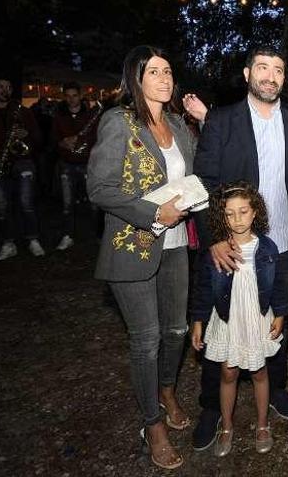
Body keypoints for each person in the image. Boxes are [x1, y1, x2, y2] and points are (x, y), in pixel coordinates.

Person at [191, 46, 288, 451]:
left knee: (277, 317)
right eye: (263, 67)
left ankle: (275, 388)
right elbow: (203, 183)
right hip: (233, 244)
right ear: (247, 74)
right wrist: (214, 240)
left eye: (278, 69)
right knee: (220, 318)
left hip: (283, 244)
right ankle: (212, 406)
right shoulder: (222, 120)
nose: (271, 76)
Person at [87, 45, 196, 470]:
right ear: (136, 78)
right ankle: (152, 424)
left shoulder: (177, 125)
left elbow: (192, 173)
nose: (165, 79)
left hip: (175, 247)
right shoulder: (119, 122)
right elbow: (100, 189)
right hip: (132, 247)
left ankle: (166, 389)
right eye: (155, 72)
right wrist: (155, 213)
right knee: (146, 339)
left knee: (176, 330)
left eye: (168, 71)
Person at [191, 182, 286, 457]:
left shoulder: (267, 248)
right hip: (227, 318)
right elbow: (204, 288)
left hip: (256, 317)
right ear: (222, 217)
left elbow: (279, 284)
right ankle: (227, 426)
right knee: (228, 372)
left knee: (259, 371)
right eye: (229, 214)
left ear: (255, 212)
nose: (237, 219)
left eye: (243, 211)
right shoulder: (216, 252)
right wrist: (198, 320)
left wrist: (279, 313)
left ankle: (263, 424)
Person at [0, 74, 45, 260]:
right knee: (2, 207)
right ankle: (8, 243)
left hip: (22, 162)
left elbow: (38, 138)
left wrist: (27, 134)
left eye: (8, 87)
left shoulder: (23, 111)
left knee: (26, 204)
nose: (5, 91)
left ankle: (33, 240)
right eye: (1, 86)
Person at [51, 82, 102, 250]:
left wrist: (80, 140)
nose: (71, 99)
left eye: (74, 95)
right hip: (67, 164)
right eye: (68, 96)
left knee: (94, 204)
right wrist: (62, 142)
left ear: (80, 96)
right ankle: (68, 236)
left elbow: (97, 137)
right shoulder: (59, 116)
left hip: (88, 164)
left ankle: (98, 236)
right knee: (67, 204)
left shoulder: (91, 115)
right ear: (64, 97)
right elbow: (52, 139)